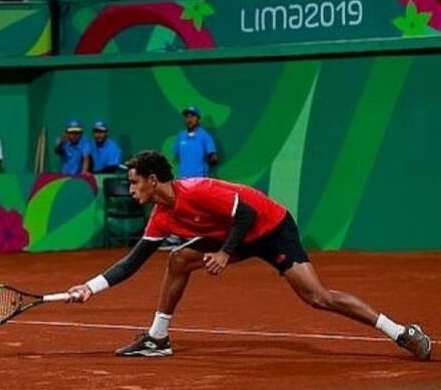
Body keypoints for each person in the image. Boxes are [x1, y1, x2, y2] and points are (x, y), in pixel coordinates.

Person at [66, 150, 433, 361]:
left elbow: (247, 214)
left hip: (270, 227)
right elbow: (132, 262)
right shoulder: (161, 216)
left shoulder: (197, 189)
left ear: (152, 180)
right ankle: (157, 338)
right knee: (177, 259)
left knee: (317, 296)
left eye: (134, 182)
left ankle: (400, 332)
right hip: (233, 236)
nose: (131, 189)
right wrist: (89, 287)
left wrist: (225, 253)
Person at [173, 106, 217, 179]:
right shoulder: (180, 136)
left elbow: (214, 158)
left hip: (200, 179)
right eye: (187, 117)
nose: (189, 119)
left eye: (192, 116)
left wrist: (206, 163)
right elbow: (177, 156)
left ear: (198, 119)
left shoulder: (205, 136)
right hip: (184, 179)